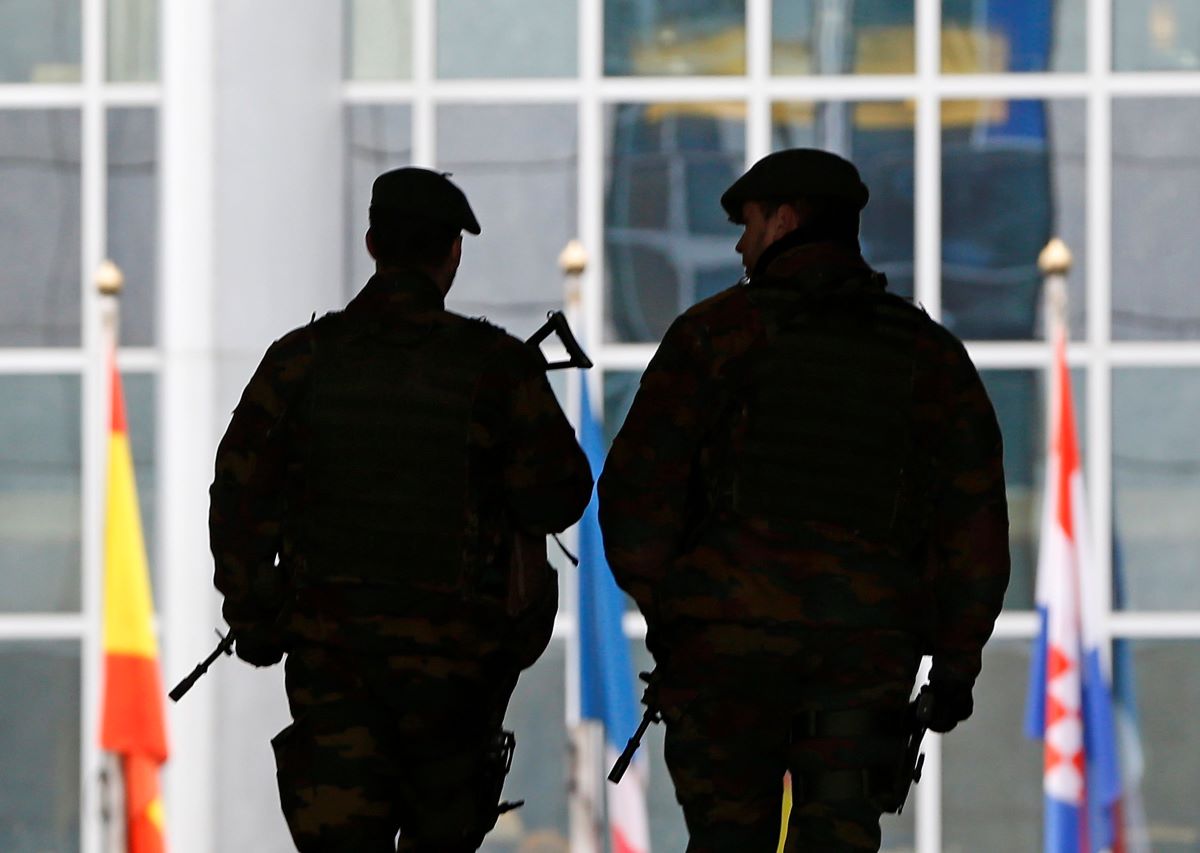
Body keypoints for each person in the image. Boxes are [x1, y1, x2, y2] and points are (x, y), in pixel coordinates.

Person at [597, 148, 1010, 852]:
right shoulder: (929, 355)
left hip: (727, 655)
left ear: (786, 220)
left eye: (750, 224)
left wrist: (679, 615)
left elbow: (635, 497)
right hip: (863, 658)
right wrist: (954, 666)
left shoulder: (713, 336)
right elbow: (973, 526)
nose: (740, 244)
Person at [210, 167, 593, 852]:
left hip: (334, 673)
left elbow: (237, 496)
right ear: (453, 253)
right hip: (455, 683)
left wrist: (254, 614)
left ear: (371, 244)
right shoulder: (496, 367)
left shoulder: (301, 363)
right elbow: (560, 495)